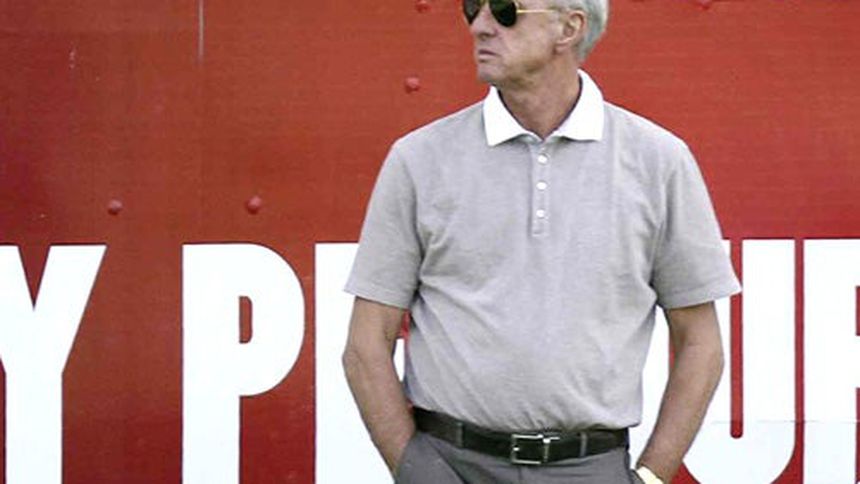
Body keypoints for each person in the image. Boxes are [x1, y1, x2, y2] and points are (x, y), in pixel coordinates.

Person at [342, 0, 741, 482]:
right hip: (450, 464)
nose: (480, 26)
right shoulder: (419, 160)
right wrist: (417, 470)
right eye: (472, 8)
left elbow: (701, 343)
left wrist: (651, 477)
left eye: (504, 10)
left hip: (592, 470)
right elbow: (366, 342)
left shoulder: (659, 162)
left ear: (569, 28)